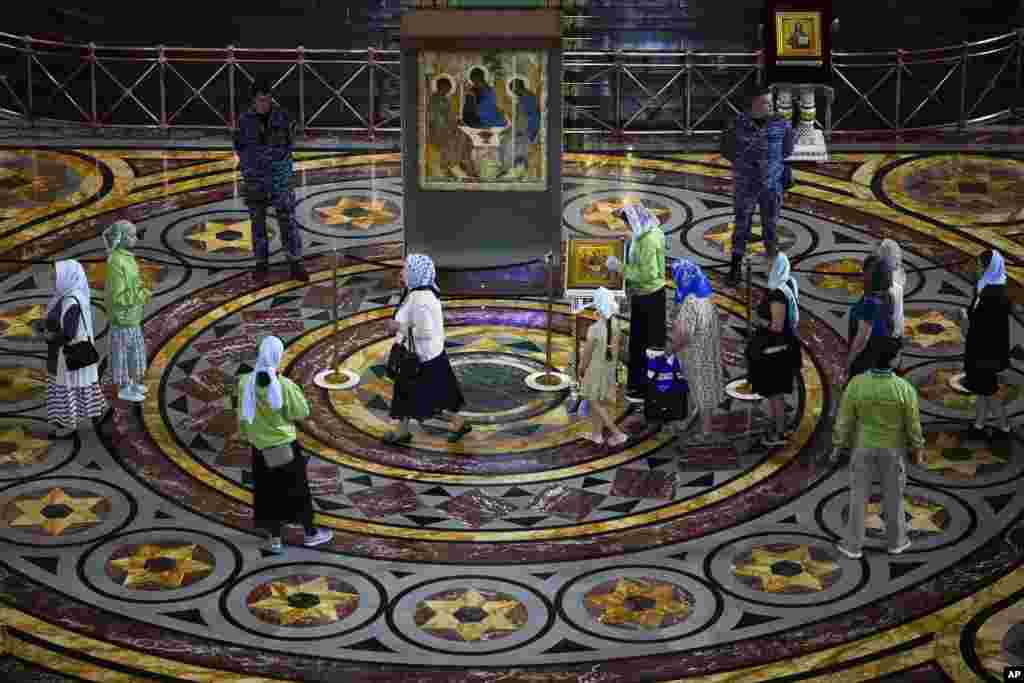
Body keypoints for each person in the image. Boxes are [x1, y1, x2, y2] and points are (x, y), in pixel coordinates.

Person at [237, 336, 333, 554]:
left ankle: (275, 539)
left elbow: (242, 415)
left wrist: (246, 435)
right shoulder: (284, 385)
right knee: (297, 490)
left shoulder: (245, 382)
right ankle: (310, 533)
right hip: (285, 449)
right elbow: (301, 412)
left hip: (260, 448)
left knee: (267, 493)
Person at [833, 338, 925, 559]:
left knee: (858, 497)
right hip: (893, 450)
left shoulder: (857, 383)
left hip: (863, 447)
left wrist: (839, 445)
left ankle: (852, 545)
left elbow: (844, 419)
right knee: (893, 496)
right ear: (893, 360)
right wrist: (918, 449)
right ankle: (896, 541)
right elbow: (913, 425)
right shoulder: (903, 389)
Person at [383, 254, 471, 445]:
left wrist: (397, 327)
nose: (401, 272)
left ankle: (458, 422)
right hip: (428, 356)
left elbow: (424, 332)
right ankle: (403, 431)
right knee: (410, 396)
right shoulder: (420, 292)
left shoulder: (421, 299)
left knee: (429, 399)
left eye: (405, 269)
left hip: (422, 360)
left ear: (416, 273)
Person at [233, 79, 309, 283]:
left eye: (267, 100)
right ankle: (261, 263)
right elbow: (239, 147)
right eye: (260, 100)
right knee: (258, 225)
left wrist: (281, 172)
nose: (264, 104)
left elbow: (288, 146)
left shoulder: (282, 117)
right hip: (255, 180)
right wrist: (251, 169)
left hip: (279, 180)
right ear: (254, 100)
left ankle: (295, 262)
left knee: (288, 222)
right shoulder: (244, 121)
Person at [727, 88, 796, 287]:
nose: (771, 106)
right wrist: (745, 167)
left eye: (771, 102)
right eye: (766, 103)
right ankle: (735, 267)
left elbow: (787, 150)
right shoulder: (737, 124)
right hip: (745, 185)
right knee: (741, 226)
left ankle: (772, 266)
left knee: (771, 227)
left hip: (771, 186)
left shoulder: (781, 124)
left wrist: (770, 167)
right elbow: (727, 149)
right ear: (755, 104)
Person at [606, 204, 667, 403]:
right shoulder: (651, 231)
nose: (627, 226)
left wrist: (621, 268)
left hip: (649, 297)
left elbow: (645, 274)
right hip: (649, 295)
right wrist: (631, 241)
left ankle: (641, 389)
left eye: (627, 223)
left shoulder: (648, 240)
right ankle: (644, 387)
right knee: (643, 342)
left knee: (643, 344)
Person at [42, 260, 107, 436]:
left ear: (67, 277)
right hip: (78, 350)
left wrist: (49, 337)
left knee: (66, 389)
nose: (51, 278)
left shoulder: (70, 302)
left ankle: (68, 426)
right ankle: (99, 411)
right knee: (84, 385)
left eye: (55, 276)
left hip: (65, 355)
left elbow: (68, 334)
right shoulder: (75, 293)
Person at [747, 252, 802, 448]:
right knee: (775, 392)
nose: (766, 267)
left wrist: (759, 320)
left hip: (775, 350)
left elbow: (777, 325)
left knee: (774, 392)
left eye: (769, 264)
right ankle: (779, 426)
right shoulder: (788, 283)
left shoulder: (778, 293)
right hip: (782, 347)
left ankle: (779, 432)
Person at [666, 259, 724, 443]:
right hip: (708, 350)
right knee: (701, 389)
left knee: (700, 390)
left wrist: (670, 349)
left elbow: (684, 335)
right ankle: (689, 420)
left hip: (695, 356)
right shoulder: (706, 299)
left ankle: (706, 432)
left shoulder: (690, 303)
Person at [962, 249, 1012, 441]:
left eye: (981, 266)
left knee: (989, 392)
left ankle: (1004, 427)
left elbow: (981, 327)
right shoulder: (989, 287)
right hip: (981, 351)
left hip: (985, 354)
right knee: (982, 390)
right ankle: (979, 424)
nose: (978, 269)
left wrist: (966, 320)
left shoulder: (993, 296)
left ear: (989, 268)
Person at [104, 220, 151, 403]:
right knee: (122, 353)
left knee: (134, 351)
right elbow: (117, 296)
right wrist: (140, 296)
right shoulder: (116, 261)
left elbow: (133, 283)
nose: (136, 238)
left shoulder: (127, 257)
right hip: (123, 316)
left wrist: (140, 291)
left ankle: (132, 382)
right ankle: (124, 387)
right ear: (120, 237)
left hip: (132, 315)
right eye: (131, 235)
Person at [578, 287, 629, 447]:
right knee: (599, 402)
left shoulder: (594, 329)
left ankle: (617, 434)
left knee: (594, 403)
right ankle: (596, 435)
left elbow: (586, 355)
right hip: (609, 369)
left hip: (595, 371)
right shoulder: (616, 324)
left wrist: (581, 369)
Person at [847, 255, 897, 380]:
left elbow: (862, 338)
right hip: (880, 351)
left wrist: (849, 361)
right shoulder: (888, 295)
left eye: (864, 274)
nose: (861, 277)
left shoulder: (870, 302)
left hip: (866, 356)